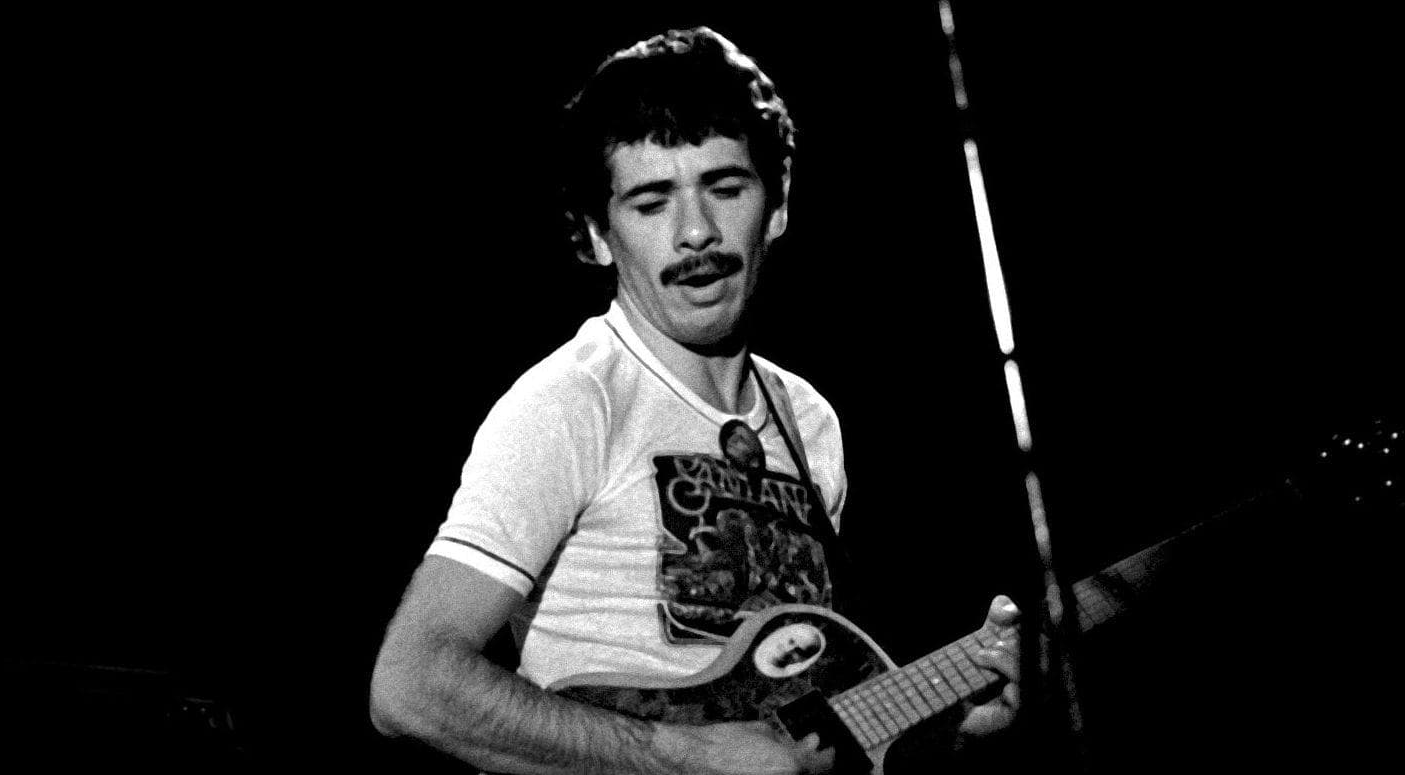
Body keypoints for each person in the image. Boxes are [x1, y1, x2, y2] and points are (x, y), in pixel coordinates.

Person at [370, 26, 1021, 774]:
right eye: (651, 203)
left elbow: (803, 727)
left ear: (777, 204)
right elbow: (410, 684)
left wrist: (957, 727)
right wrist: (682, 756)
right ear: (596, 235)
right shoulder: (571, 401)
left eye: (726, 188)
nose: (696, 233)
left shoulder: (808, 420)